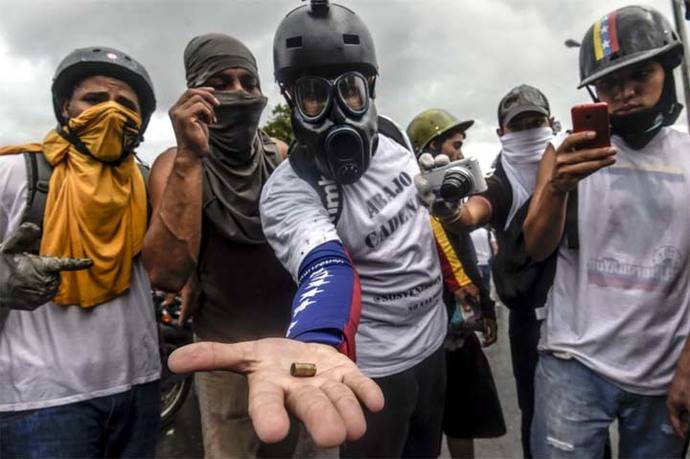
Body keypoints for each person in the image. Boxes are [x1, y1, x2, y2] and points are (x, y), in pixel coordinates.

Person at [522, 6, 690, 456]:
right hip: (573, 362)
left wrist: (689, 368)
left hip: (665, 369)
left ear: (667, 69)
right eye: (611, 82)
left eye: (641, 74)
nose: (626, 92)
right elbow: (536, 248)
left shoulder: (687, 154)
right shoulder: (566, 153)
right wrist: (557, 187)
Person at [142, 33, 301, 458]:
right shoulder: (175, 165)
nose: (239, 93)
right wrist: (191, 159)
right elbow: (166, 272)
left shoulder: (280, 156)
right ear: (195, 92)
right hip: (224, 358)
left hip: (292, 347)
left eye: (248, 82)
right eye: (220, 82)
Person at [0, 46, 161, 457]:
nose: (111, 111)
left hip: (139, 390)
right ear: (65, 108)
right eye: (94, 99)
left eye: (126, 104)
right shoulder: (18, 172)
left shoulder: (145, 183)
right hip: (42, 401)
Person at [408, 109, 505, 459]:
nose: (461, 155)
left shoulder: (448, 201)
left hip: (454, 331)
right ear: (433, 147)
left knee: (461, 416)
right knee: (425, 425)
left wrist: (486, 307)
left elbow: (466, 256)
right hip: (421, 335)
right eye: (455, 146)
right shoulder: (410, 198)